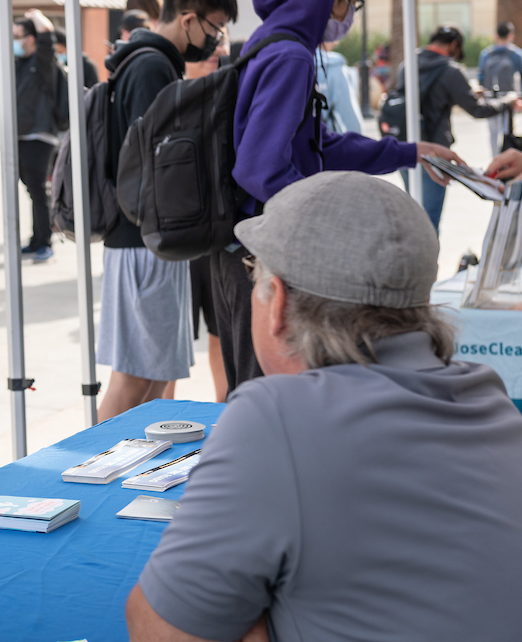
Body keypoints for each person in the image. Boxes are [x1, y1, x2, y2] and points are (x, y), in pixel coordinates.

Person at [127, 171, 522, 642]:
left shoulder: (274, 418)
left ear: (278, 304)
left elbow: (159, 630)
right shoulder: (487, 396)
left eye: (254, 272)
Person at [214, 0, 463, 394]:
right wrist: (321, 224)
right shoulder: (291, 56)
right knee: (270, 396)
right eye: (354, 2)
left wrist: (410, 152)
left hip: (249, 245)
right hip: (263, 252)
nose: (351, 14)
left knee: (262, 392)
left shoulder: (271, 42)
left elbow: (318, 146)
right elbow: (260, 169)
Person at [97, 0, 238, 419]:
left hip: (145, 242)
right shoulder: (152, 68)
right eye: (215, 27)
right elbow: (156, 165)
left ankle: (129, 458)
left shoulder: (147, 61)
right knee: (135, 378)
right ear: (189, 19)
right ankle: (97, 456)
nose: (216, 39)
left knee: (154, 377)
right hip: (143, 242)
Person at [393, 24, 518, 232]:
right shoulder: (451, 70)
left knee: (414, 215)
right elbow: (478, 110)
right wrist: (508, 102)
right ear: (454, 44)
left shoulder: (408, 64)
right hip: (434, 152)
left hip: (405, 146)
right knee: (429, 221)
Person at [184, 29, 230, 402]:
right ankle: (159, 416)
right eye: (210, 39)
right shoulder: (171, 98)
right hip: (179, 240)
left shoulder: (232, 94)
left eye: (223, 38)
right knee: (171, 346)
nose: (218, 48)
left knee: (222, 331)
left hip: (221, 236)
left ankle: (224, 411)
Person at [13, 10, 68, 264]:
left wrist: (35, 16)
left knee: (38, 189)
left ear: (31, 38)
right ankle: (36, 240)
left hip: (39, 134)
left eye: (18, 36)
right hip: (21, 134)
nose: (14, 41)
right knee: (32, 189)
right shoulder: (19, 63)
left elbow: (47, 34)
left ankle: (45, 242)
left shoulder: (43, 61)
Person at [478, 20, 522, 153]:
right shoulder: (516, 54)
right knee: (506, 131)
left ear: (496, 35)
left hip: (490, 98)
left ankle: (495, 158)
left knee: (493, 132)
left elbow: (481, 76)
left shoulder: (486, 54)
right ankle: (506, 156)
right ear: (511, 35)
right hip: (509, 98)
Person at [315, 41, 363, 135]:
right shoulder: (334, 66)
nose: (335, 43)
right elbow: (349, 117)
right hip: (322, 138)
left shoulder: (289, 59)